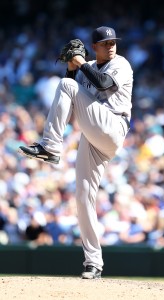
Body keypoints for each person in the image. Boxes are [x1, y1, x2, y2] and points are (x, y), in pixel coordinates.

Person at [18, 26, 133, 279]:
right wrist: (72, 66)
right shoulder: (86, 67)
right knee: (82, 198)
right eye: (105, 43)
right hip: (93, 136)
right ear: (95, 47)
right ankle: (93, 262)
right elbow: (69, 98)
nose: (111, 45)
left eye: (113, 41)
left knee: (66, 85)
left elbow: (102, 83)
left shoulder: (121, 64)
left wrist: (79, 63)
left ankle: (50, 146)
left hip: (113, 126)